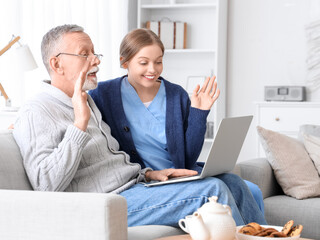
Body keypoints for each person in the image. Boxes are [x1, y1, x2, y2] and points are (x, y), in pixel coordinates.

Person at [13, 24, 266, 227]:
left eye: (94, 53)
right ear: (56, 64)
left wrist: (149, 174)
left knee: (233, 183)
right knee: (212, 190)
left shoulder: (86, 100)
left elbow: (112, 162)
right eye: (84, 54)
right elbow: (45, 185)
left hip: (135, 186)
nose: (96, 61)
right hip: (108, 201)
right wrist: (79, 125)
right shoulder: (37, 110)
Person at [89, 28, 265, 214]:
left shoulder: (176, 94)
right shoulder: (103, 94)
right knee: (220, 186)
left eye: (158, 62)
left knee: (238, 183)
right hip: (149, 180)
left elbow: (188, 158)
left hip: (180, 174)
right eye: (143, 62)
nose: (152, 69)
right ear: (124, 62)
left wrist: (200, 112)